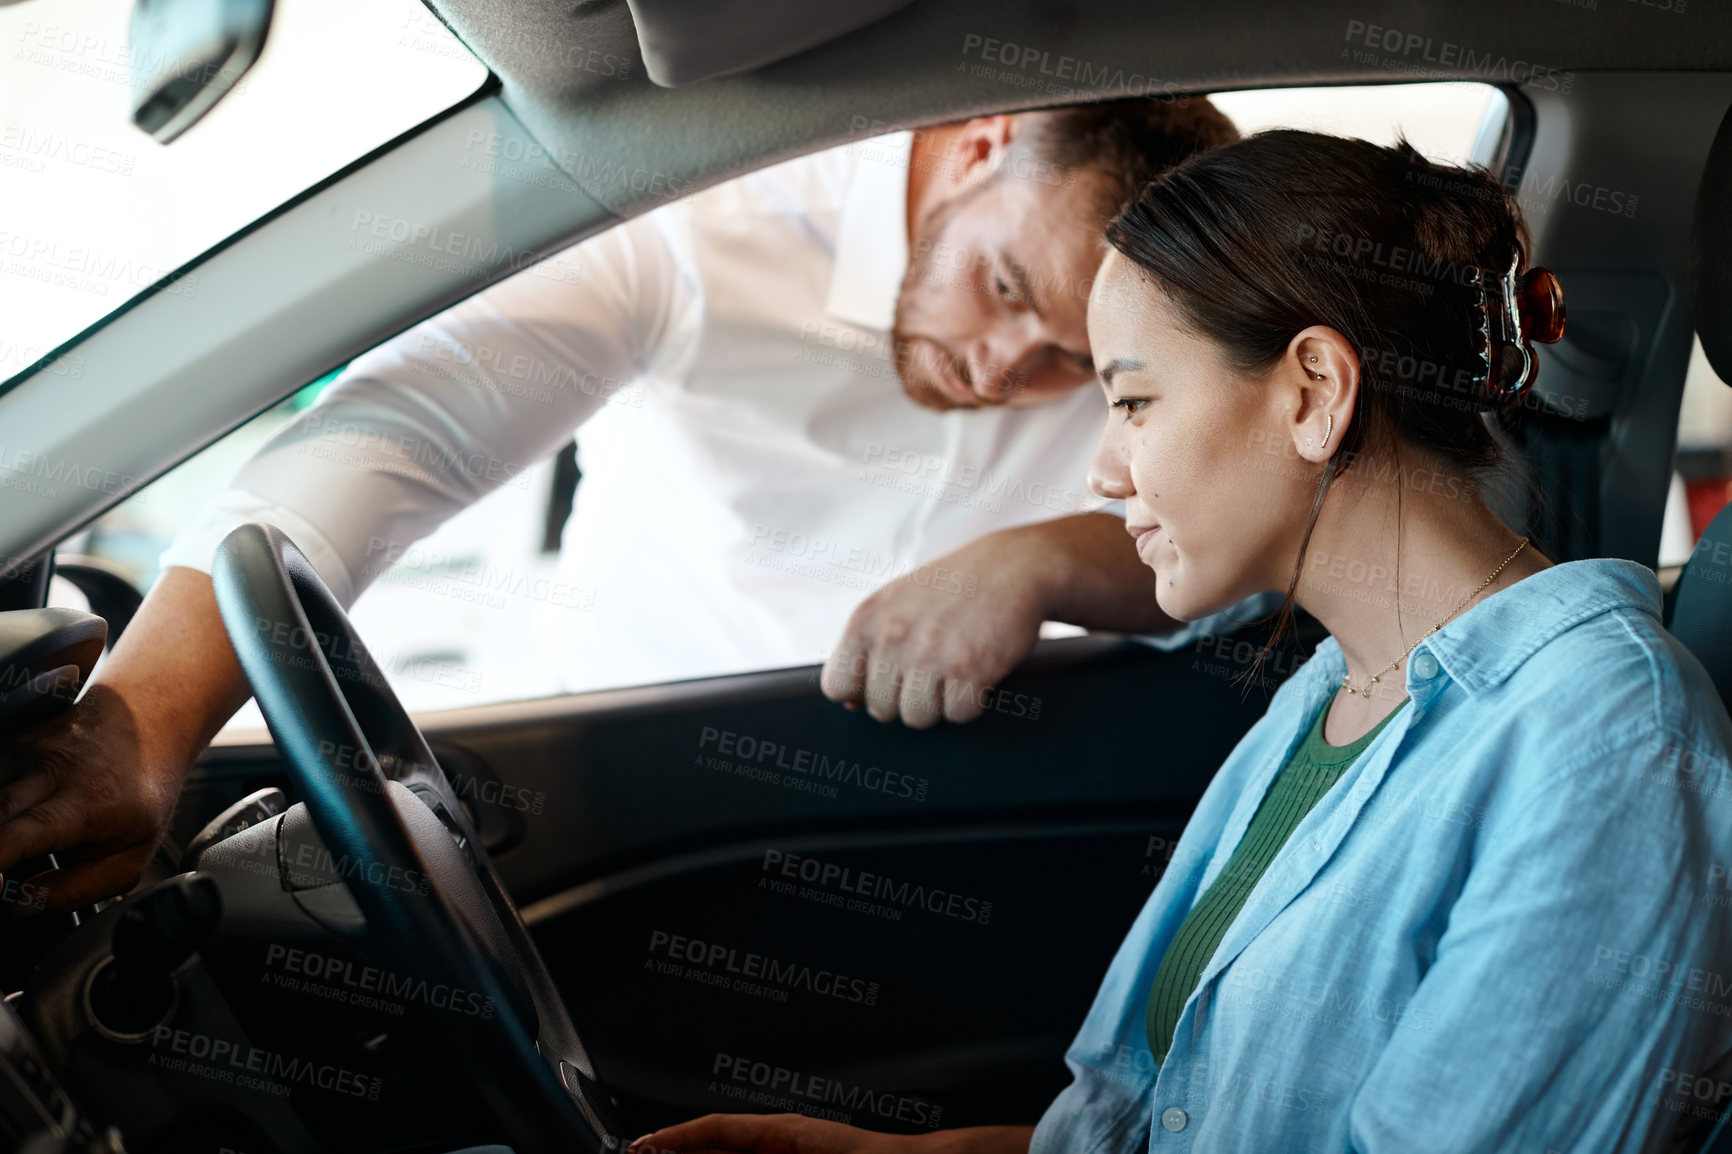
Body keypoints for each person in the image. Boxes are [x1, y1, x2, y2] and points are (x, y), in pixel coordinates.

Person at [633, 133, 1732, 1152]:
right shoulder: (1327, 692)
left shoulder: (1606, 739)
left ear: (1313, 392)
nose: (1105, 471)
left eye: (1136, 402)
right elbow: (1133, 1126)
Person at [0, 99, 1270, 912]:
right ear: (985, 137)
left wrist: (1040, 556)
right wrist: (143, 729)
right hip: (617, 819)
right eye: (1003, 285)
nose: (1007, 372)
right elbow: (393, 441)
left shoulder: (1145, 333)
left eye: (1071, 362)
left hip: (937, 861)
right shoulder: (708, 203)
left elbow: (1246, 542)